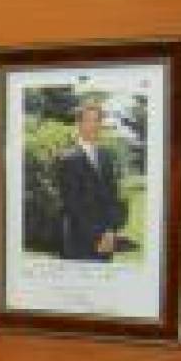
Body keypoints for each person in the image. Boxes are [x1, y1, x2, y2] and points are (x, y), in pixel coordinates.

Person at [57, 101, 126, 261]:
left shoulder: (106, 157)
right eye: (88, 120)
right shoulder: (68, 159)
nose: (93, 125)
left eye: (97, 120)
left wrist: (111, 231)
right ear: (79, 124)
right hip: (79, 244)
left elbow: (113, 199)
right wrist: (98, 236)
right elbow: (73, 205)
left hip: (106, 245)